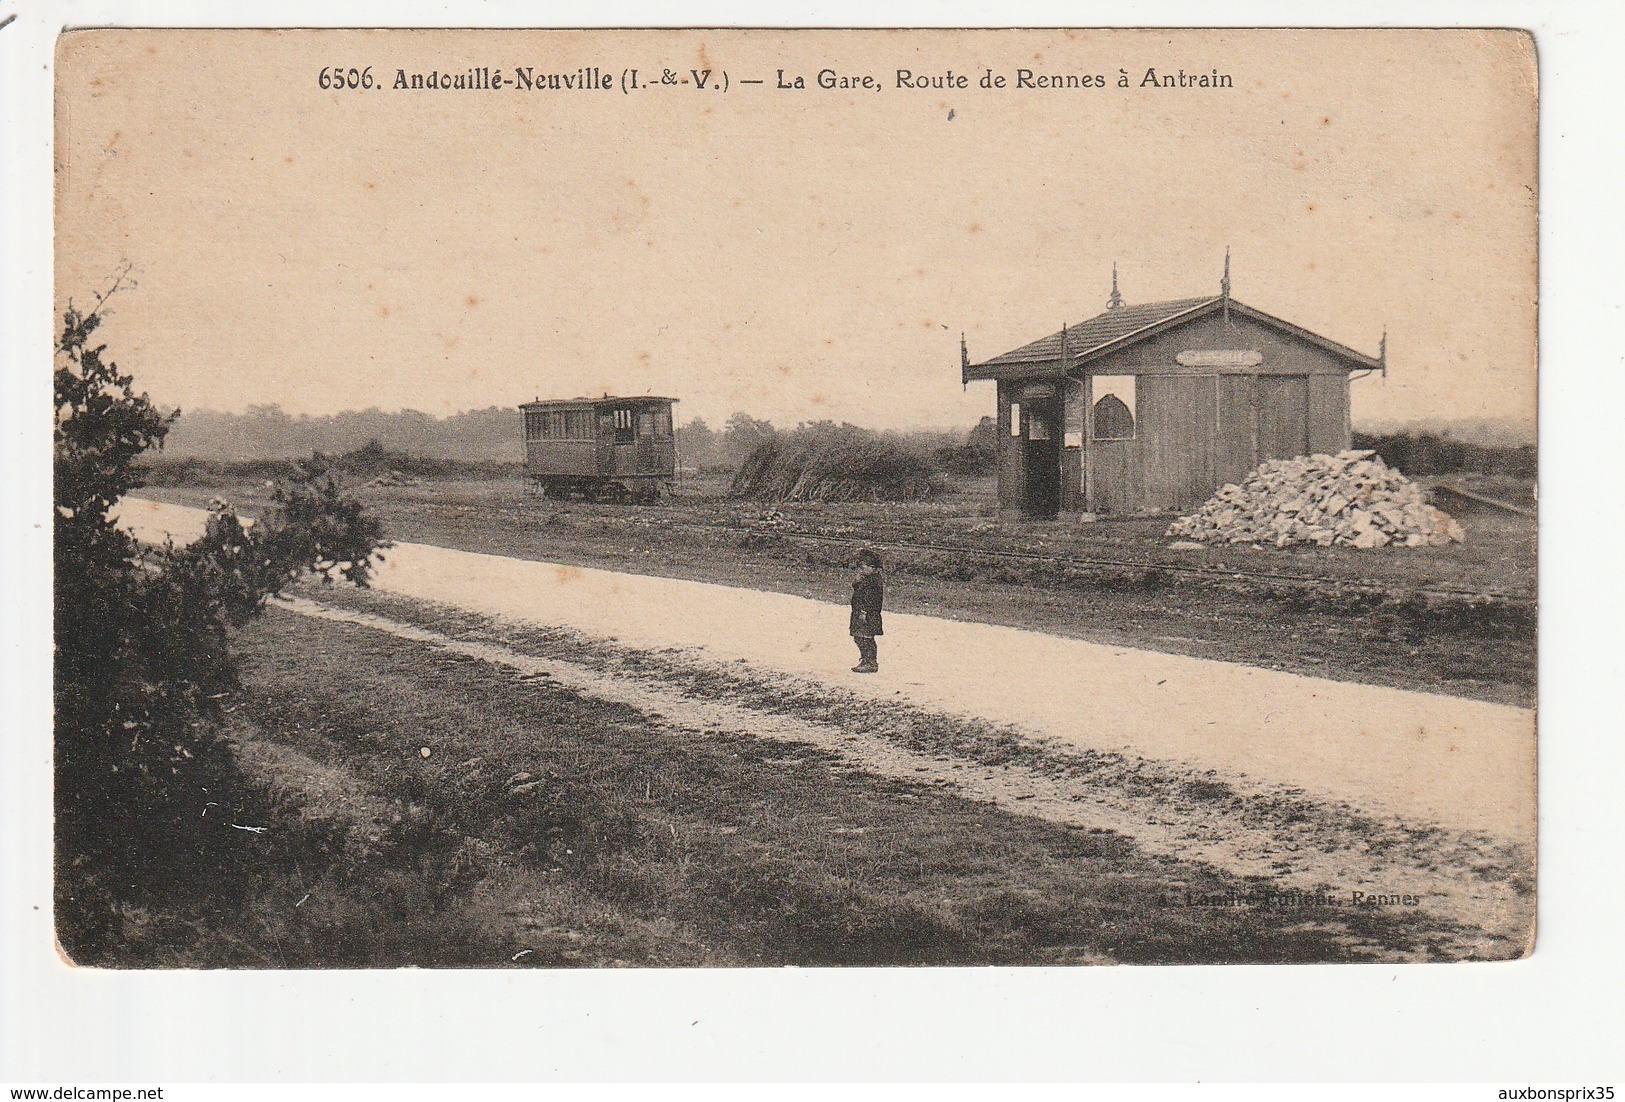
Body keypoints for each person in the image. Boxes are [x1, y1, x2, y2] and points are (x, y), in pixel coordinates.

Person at [849, 548, 884, 673]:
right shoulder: (867, 579)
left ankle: (871, 662)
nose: (861, 569)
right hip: (860, 612)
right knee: (858, 636)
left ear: (873, 568)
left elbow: (870, 599)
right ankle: (865, 659)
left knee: (866, 637)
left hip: (867, 614)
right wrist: (857, 581)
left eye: (865, 567)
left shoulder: (874, 581)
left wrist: (864, 612)